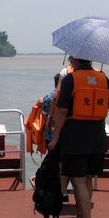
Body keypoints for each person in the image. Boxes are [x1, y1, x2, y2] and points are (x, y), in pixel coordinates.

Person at [48, 58, 109, 218]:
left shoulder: (71, 79)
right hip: (98, 137)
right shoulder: (103, 78)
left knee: (77, 180)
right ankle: (83, 216)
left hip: (76, 137)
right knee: (87, 178)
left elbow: (61, 111)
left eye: (71, 57)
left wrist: (55, 138)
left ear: (75, 59)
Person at [42, 72, 70, 202]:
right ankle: (63, 191)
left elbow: (44, 116)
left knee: (53, 162)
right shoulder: (69, 98)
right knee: (63, 163)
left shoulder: (48, 97)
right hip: (65, 135)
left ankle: (52, 189)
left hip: (50, 135)